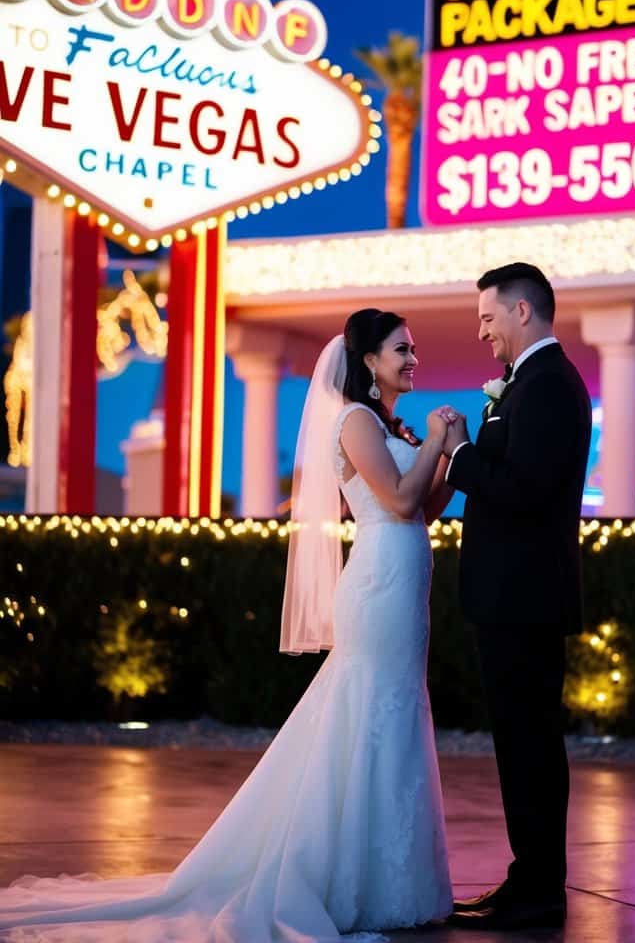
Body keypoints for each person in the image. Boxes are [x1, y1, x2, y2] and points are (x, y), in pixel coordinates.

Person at [0, 308, 458, 943]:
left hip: (407, 586)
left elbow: (425, 509)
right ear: (369, 360)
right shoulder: (355, 421)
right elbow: (398, 502)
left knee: (398, 715)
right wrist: (436, 440)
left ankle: (393, 879)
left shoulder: (385, 423)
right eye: (402, 349)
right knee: (370, 715)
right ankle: (340, 877)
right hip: (379, 587)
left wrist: (445, 454)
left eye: (413, 349)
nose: (413, 359)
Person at [443, 263, 592, 932]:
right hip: (512, 598)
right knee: (519, 744)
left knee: (529, 745)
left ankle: (537, 889)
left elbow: (523, 488)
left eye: (487, 316)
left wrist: (459, 455)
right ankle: (526, 878)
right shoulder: (529, 385)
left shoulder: (549, 387)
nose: (482, 331)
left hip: (524, 600)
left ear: (522, 312)